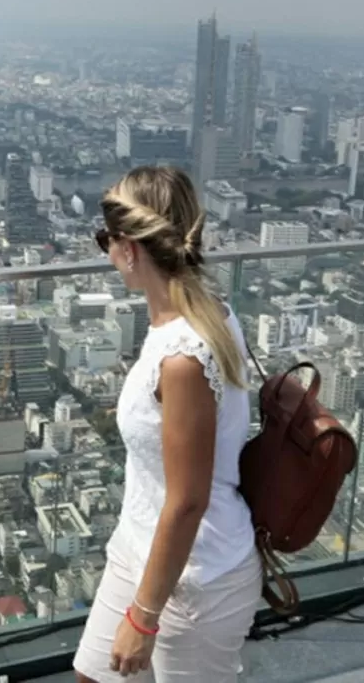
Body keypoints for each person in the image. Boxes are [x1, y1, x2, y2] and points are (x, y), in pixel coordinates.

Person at [73, 166, 261, 682]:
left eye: (103, 239)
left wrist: (144, 617)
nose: (106, 253)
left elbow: (188, 500)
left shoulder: (184, 356)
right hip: (138, 547)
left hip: (198, 579)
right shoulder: (200, 312)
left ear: (129, 248)